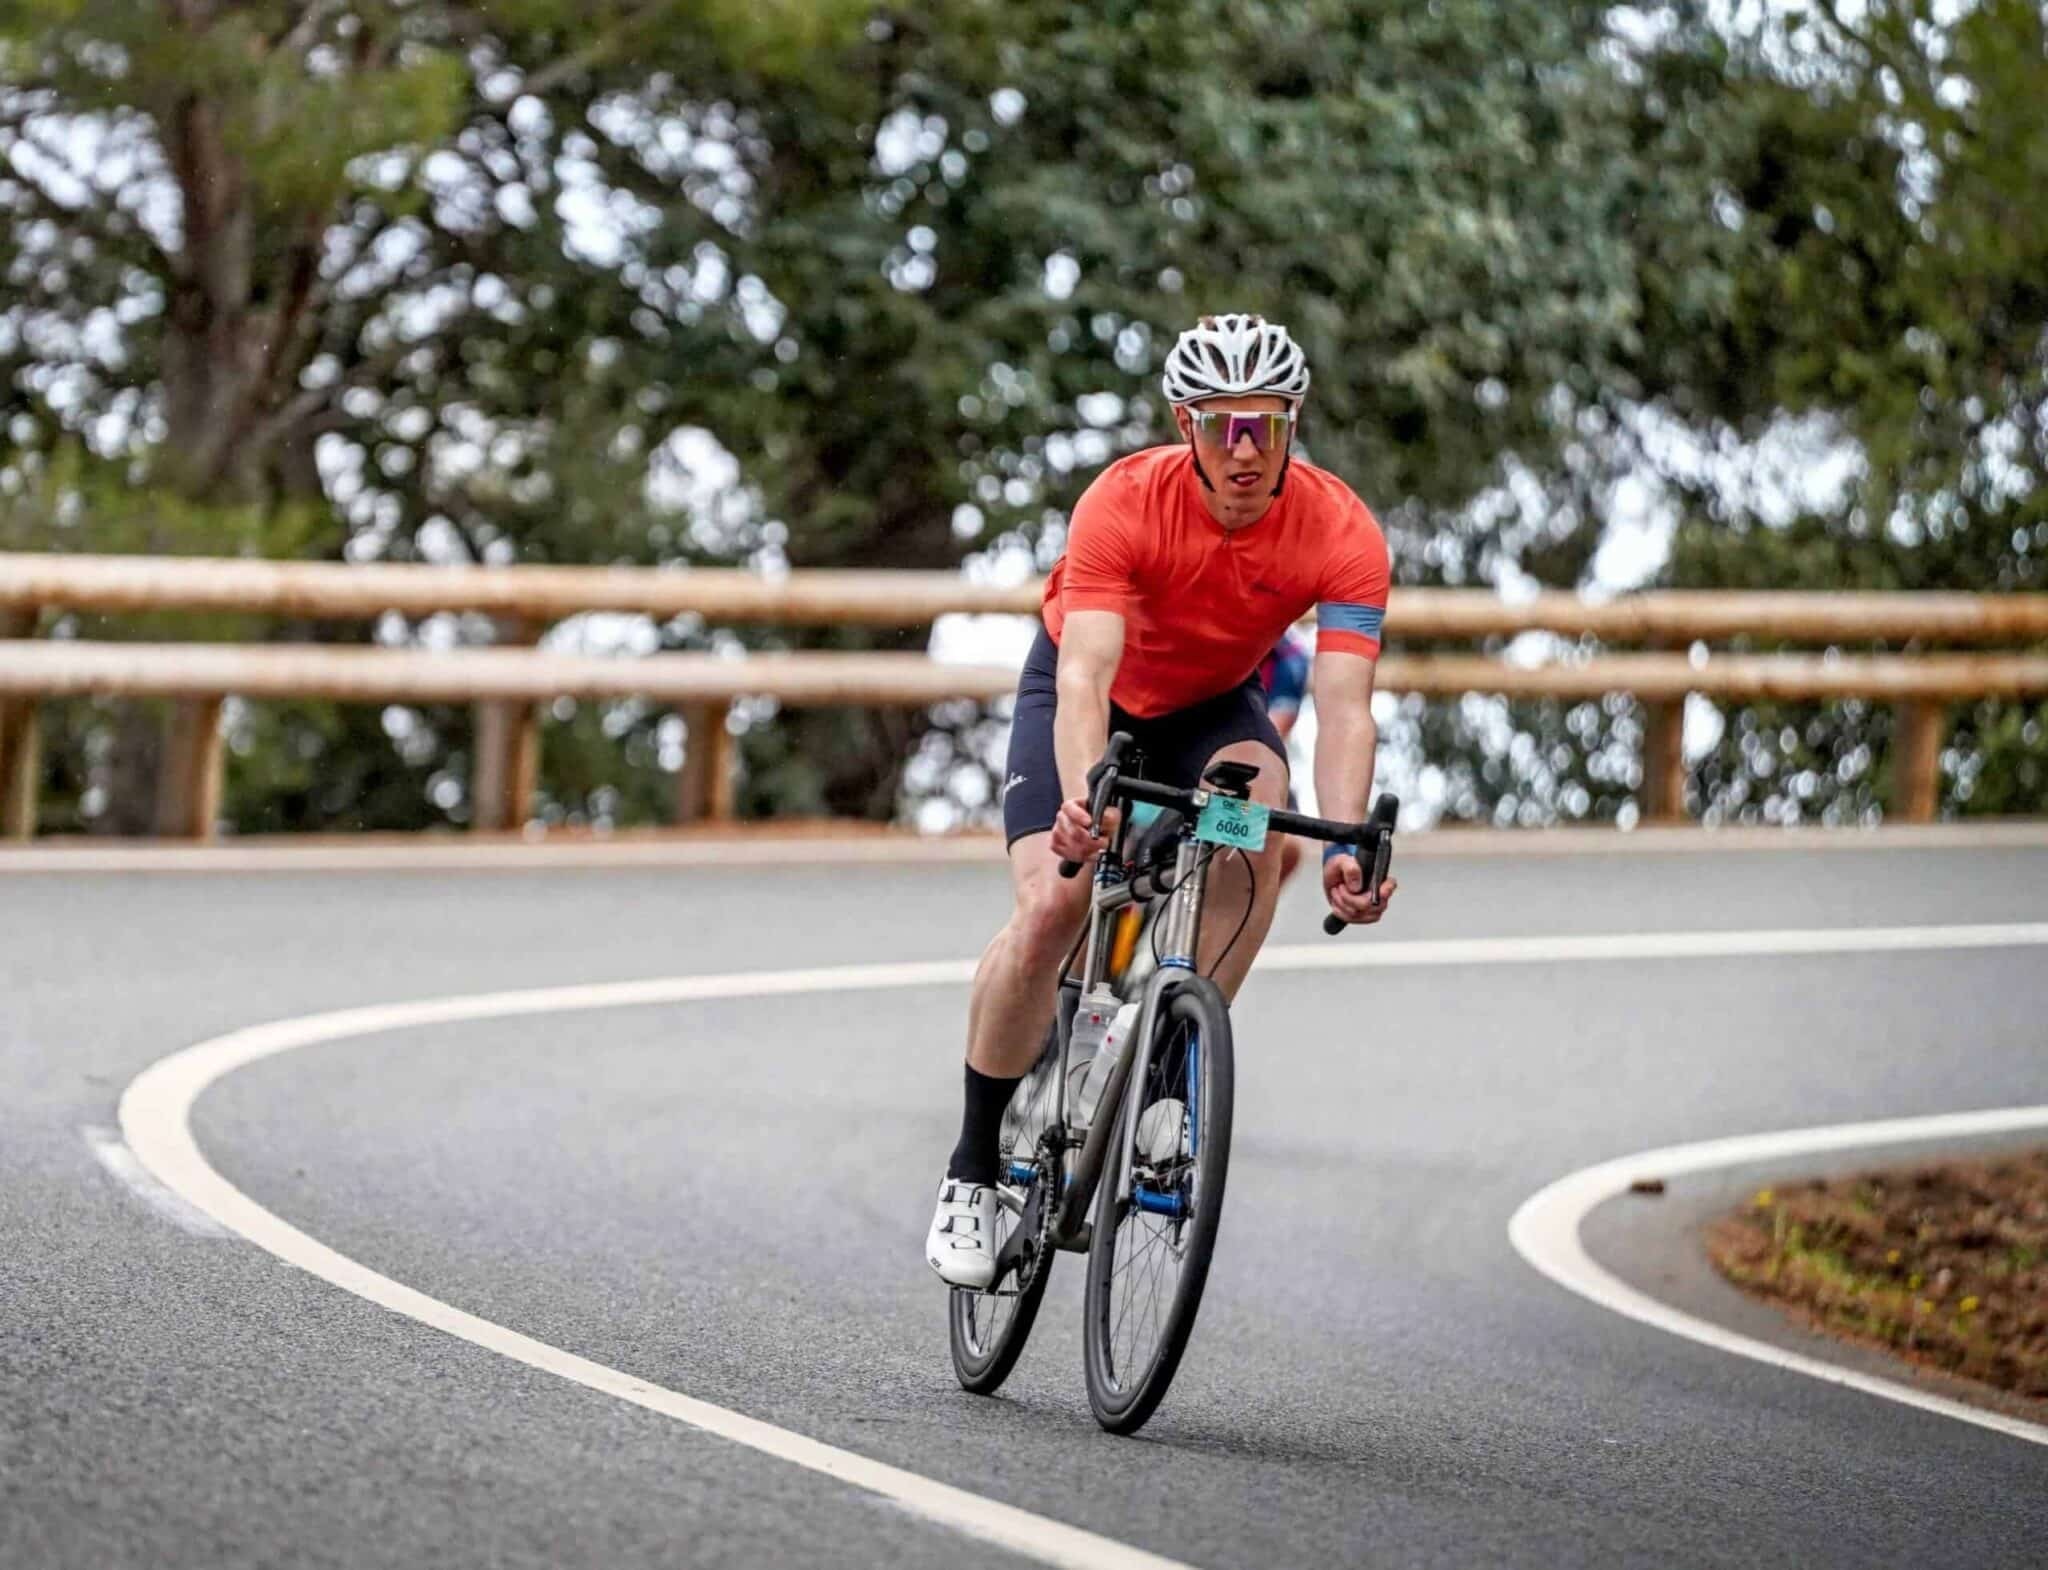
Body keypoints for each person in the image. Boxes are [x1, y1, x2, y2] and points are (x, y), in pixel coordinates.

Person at [926, 313, 1397, 1287]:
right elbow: (1085, 678)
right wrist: (1078, 800)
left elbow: (1344, 709)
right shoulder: (1124, 502)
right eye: (1219, 424)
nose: (1240, 448)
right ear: (1185, 424)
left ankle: (1167, 1072)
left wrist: (1349, 839)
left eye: (1261, 424)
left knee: (1257, 835)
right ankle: (972, 1166)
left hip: (1208, 713)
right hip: (1088, 700)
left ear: (1291, 425)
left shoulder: (1341, 529)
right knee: (1053, 903)